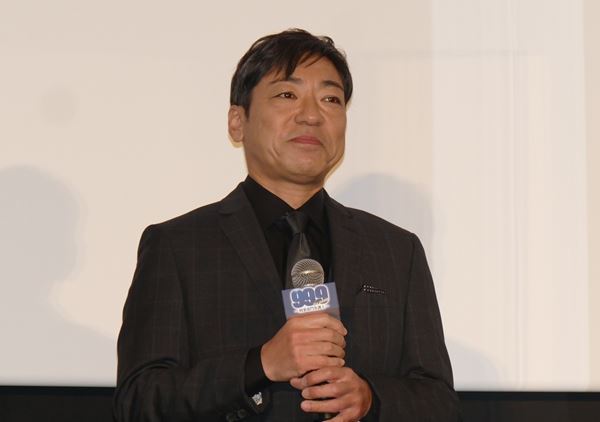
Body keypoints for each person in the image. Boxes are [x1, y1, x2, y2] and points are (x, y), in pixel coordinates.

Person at [114, 28, 460, 422]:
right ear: (237, 122)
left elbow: (439, 404)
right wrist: (259, 364)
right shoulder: (178, 246)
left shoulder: (395, 250)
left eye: (330, 99)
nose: (311, 115)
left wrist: (370, 399)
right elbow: (138, 402)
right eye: (287, 95)